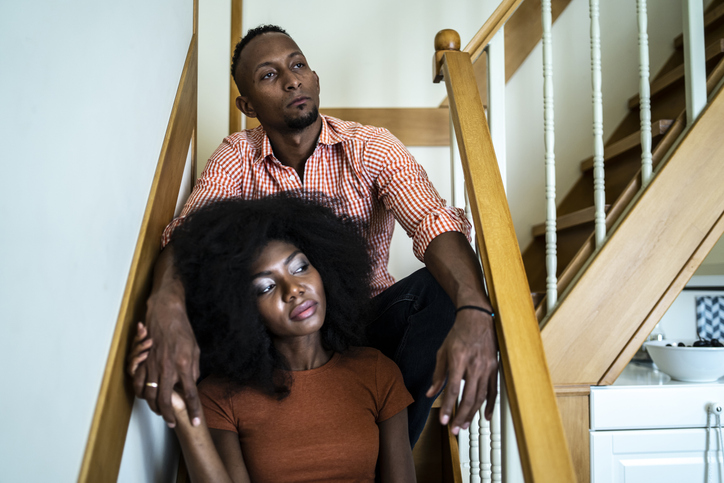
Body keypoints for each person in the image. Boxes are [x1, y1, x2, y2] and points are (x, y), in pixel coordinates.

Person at [135, 24, 498, 447]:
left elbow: (432, 220)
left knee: (441, 289)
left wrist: (475, 309)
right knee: (201, 300)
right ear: (247, 104)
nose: (292, 80)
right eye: (270, 75)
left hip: (364, 326)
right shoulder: (237, 155)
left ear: (315, 78)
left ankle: (389, 456)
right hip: (274, 338)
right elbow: (190, 236)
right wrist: (165, 303)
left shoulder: (371, 146)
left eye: (298, 65)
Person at [128, 194, 416, 482]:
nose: (293, 289)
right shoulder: (220, 396)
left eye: (301, 268)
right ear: (240, 310)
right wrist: (181, 410)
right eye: (265, 287)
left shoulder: (376, 371)